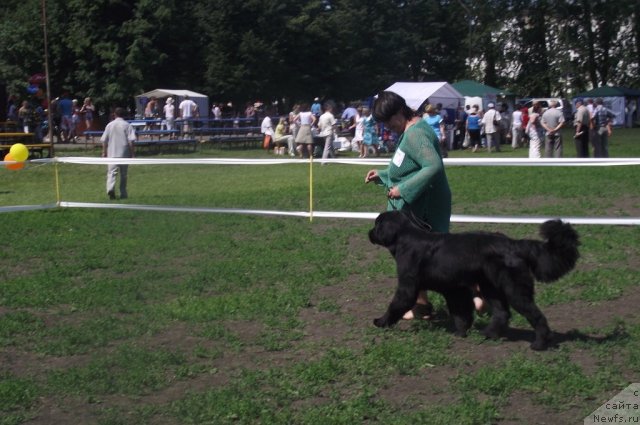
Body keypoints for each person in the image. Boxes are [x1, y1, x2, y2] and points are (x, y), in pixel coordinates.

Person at [364, 90, 451, 321]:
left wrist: (402, 190)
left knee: (434, 260)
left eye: (388, 121)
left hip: (425, 210)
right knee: (420, 259)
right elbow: (409, 167)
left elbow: (432, 167)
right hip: (419, 207)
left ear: (400, 112)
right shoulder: (412, 130)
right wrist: (383, 175)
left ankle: (477, 290)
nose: (387, 127)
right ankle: (422, 304)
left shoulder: (415, 135)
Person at [101, 107, 136, 200]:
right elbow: (131, 141)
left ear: (114, 114)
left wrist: (104, 152)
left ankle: (110, 189)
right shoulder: (127, 125)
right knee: (123, 174)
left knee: (111, 173)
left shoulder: (109, 125)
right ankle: (123, 193)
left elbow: (104, 140)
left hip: (112, 152)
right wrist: (132, 154)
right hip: (124, 152)